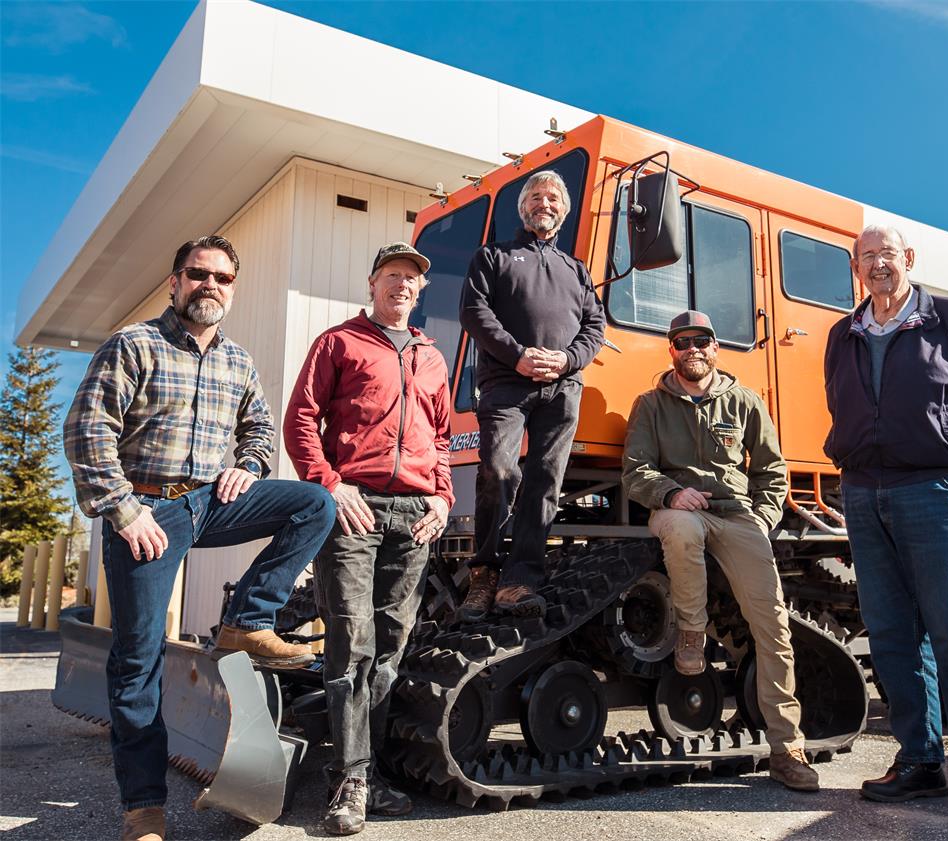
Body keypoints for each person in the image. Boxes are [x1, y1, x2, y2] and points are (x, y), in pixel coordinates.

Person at [63, 235, 336, 841]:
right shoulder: (134, 345)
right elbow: (87, 431)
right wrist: (123, 511)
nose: (210, 284)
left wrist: (253, 464)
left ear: (232, 289)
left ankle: (246, 620)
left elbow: (261, 429)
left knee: (314, 503)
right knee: (137, 662)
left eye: (222, 278)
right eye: (198, 274)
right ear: (175, 282)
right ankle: (144, 809)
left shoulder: (238, 361)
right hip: (146, 513)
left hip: (212, 503)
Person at [823, 224, 948, 825]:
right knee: (890, 635)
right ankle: (920, 763)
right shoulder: (843, 333)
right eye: (866, 257)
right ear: (856, 267)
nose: (877, 265)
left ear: (909, 259)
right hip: (864, 492)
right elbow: (841, 403)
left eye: (887, 255)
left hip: (938, 489)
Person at [284, 241, 453, 835]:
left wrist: (442, 496)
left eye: (411, 278)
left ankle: (369, 773)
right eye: (391, 275)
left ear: (419, 291)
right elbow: (300, 418)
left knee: (389, 644)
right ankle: (347, 780)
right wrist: (329, 484)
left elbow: (440, 434)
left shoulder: (433, 357)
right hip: (354, 507)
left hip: (415, 514)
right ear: (373, 284)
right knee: (351, 639)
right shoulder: (338, 342)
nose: (402, 285)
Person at [622, 309, 820, 793]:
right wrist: (669, 492)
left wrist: (763, 518)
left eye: (702, 340)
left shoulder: (746, 402)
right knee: (682, 529)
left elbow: (773, 471)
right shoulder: (650, 404)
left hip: (737, 515)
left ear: (716, 348)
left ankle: (786, 746)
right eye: (682, 341)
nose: (692, 348)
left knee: (771, 622)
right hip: (678, 510)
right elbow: (635, 470)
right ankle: (690, 633)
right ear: (671, 349)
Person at [456, 169, 605, 620]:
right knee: (499, 469)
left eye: (554, 197)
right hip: (506, 383)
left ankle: (520, 582)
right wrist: (517, 355)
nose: (545, 202)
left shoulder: (576, 270)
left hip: (562, 388)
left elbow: (595, 327)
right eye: (537, 196)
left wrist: (567, 361)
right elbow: (473, 311)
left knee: (545, 482)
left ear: (564, 210)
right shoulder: (494, 257)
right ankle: (484, 575)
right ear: (523, 208)